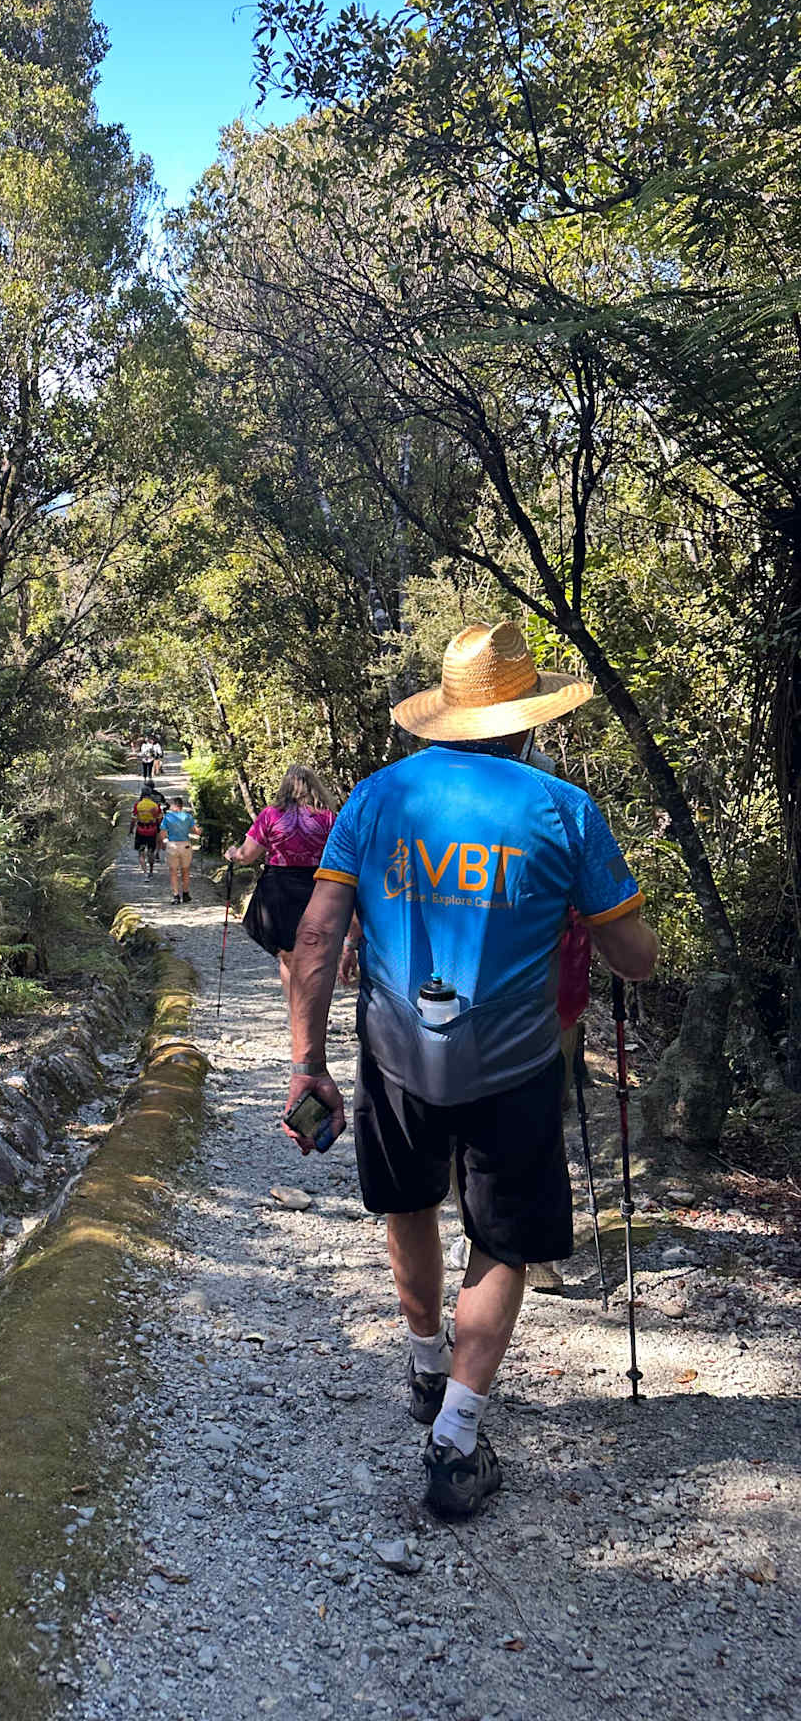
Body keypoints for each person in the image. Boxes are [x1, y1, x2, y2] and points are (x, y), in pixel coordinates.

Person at [285, 621, 658, 1518]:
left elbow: (317, 935)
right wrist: (593, 918)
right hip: (516, 1062)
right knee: (500, 1241)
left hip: (396, 1054)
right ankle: (454, 1440)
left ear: (449, 714)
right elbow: (635, 958)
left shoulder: (374, 800)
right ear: (528, 719)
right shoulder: (564, 811)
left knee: (408, 1204)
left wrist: (308, 1064)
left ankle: (424, 1365)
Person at [224, 765, 335, 1005]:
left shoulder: (271, 815)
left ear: (285, 785)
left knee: (287, 954)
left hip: (279, 888)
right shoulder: (328, 818)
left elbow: (247, 855)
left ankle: (296, 1007)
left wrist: (232, 853)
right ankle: (310, 1007)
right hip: (316, 887)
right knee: (310, 951)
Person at [161, 795, 200, 904]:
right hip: (185, 846)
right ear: (181, 806)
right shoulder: (188, 816)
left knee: (173, 872)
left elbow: (162, 834)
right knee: (185, 870)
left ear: (174, 806)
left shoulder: (167, 817)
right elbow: (196, 831)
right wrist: (200, 830)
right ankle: (186, 894)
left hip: (172, 845)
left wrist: (163, 843)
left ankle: (176, 896)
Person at [129, 784, 166, 877]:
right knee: (151, 851)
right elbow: (160, 819)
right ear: (150, 795)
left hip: (140, 830)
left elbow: (133, 819)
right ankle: (151, 871)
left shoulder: (138, 805)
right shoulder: (155, 805)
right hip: (152, 831)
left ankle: (145, 873)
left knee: (141, 853)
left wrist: (131, 829)